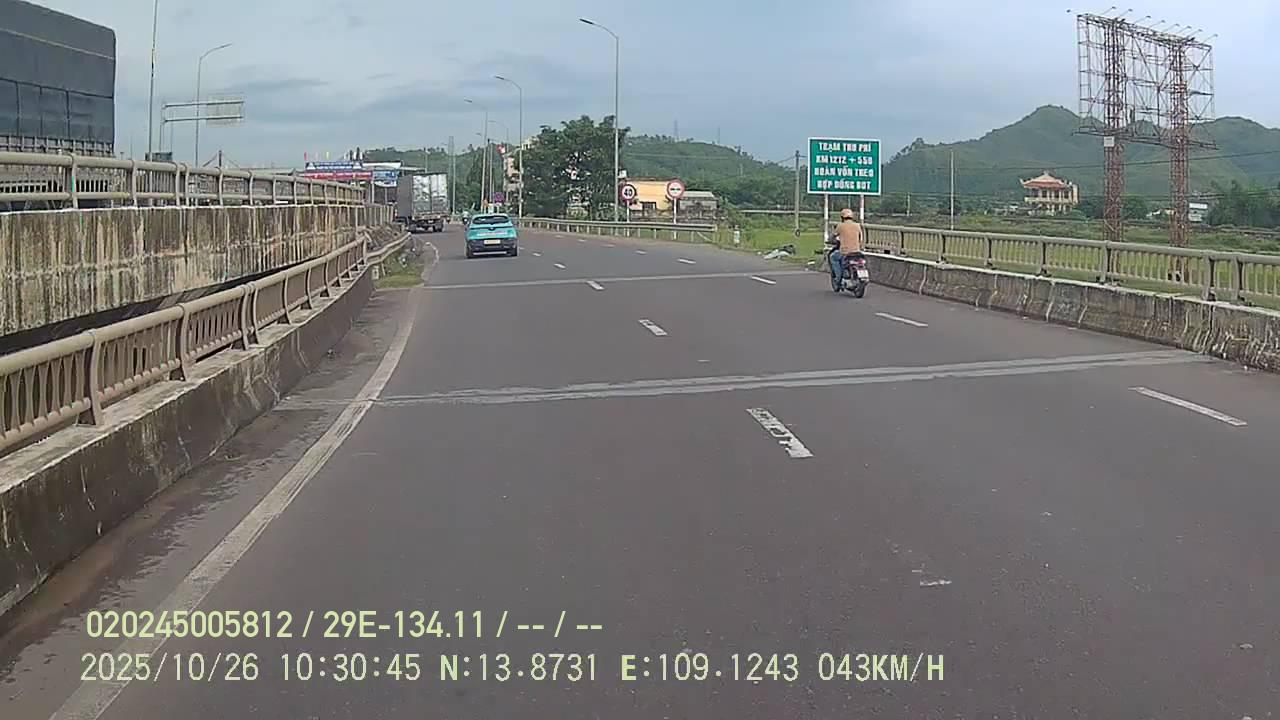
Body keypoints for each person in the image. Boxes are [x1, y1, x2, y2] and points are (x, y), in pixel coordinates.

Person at [828, 208, 863, 280]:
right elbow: (861, 238)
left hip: (845, 252)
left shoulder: (840, 226)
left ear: (842, 217)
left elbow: (833, 236)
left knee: (833, 257)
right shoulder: (857, 225)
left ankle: (838, 277)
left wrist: (830, 240)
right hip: (857, 251)